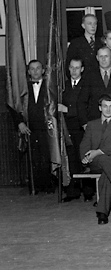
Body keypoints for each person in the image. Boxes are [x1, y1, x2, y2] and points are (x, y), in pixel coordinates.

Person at [80, 94, 111, 225]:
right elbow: (84, 144)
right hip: (98, 162)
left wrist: (96, 152)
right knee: (106, 166)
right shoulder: (92, 125)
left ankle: (102, 213)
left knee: (107, 168)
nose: (108, 109)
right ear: (100, 108)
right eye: (105, 106)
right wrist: (86, 157)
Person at [15, 60, 54, 193]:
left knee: (47, 156)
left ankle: (48, 185)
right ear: (28, 72)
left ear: (43, 70)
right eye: (32, 69)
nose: (35, 71)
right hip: (29, 128)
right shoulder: (23, 89)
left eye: (38, 68)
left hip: (47, 128)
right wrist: (20, 122)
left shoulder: (50, 86)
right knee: (33, 158)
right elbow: (16, 106)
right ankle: (34, 186)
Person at [59, 58, 88, 201]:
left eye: (77, 68)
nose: (74, 70)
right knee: (71, 159)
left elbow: (87, 106)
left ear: (82, 69)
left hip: (82, 127)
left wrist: (68, 110)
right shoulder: (62, 86)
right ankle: (73, 192)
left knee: (85, 158)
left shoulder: (87, 85)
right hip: (68, 127)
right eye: (72, 67)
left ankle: (88, 192)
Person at [78, 46, 111, 124]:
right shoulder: (90, 76)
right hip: (95, 122)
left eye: (106, 56)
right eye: (101, 56)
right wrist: (84, 123)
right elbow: (82, 101)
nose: (103, 59)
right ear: (97, 58)